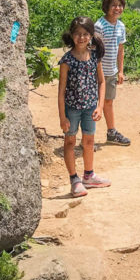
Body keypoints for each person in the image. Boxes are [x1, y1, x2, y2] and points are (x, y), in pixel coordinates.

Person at [58, 16, 111, 196]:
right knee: (70, 141)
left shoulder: (94, 56)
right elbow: (61, 91)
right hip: (71, 108)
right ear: (72, 35)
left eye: (85, 34)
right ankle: (74, 179)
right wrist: (62, 117)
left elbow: (102, 82)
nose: (81, 38)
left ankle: (88, 175)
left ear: (91, 35)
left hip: (90, 107)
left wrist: (99, 106)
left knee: (89, 141)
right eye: (78, 34)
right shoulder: (67, 60)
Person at [94, 0, 130, 146]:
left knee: (108, 102)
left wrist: (120, 71)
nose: (117, 8)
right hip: (97, 73)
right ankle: (88, 138)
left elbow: (120, 49)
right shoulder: (99, 26)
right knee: (92, 104)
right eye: (114, 5)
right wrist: (98, 72)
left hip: (112, 72)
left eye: (120, 5)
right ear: (106, 6)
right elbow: (95, 52)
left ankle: (111, 133)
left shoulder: (121, 26)